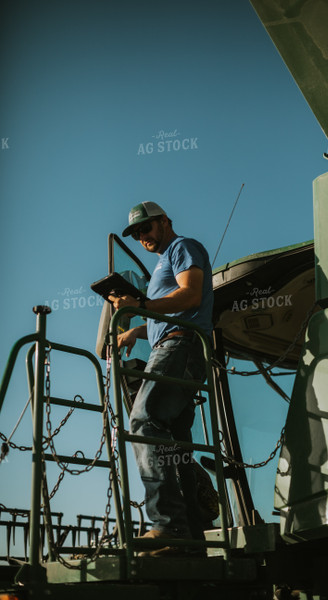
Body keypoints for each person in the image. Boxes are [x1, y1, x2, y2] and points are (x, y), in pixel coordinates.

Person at [108, 201, 214, 557]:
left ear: (165, 221)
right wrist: (135, 330)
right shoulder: (160, 265)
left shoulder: (182, 248)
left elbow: (190, 295)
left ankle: (168, 524)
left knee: (142, 421)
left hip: (180, 346)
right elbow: (163, 313)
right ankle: (191, 533)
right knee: (174, 442)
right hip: (172, 344)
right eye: (137, 233)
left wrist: (137, 305)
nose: (143, 236)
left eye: (147, 228)